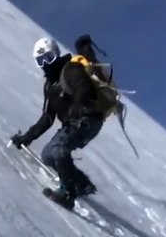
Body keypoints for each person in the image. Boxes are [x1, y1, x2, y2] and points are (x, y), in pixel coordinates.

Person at [10, 34, 109, 210]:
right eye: (41, 61)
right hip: (74, 123)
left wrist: (75, 109)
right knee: (48, 154)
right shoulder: (50, 86)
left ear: (56, 54)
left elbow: (83, 89)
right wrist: (27, 138)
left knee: (57, 149)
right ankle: (81, 183)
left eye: (49, 58)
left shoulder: (70, 68)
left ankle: (67, 194)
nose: (46, 64)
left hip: (88, 119)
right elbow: (48, 117)